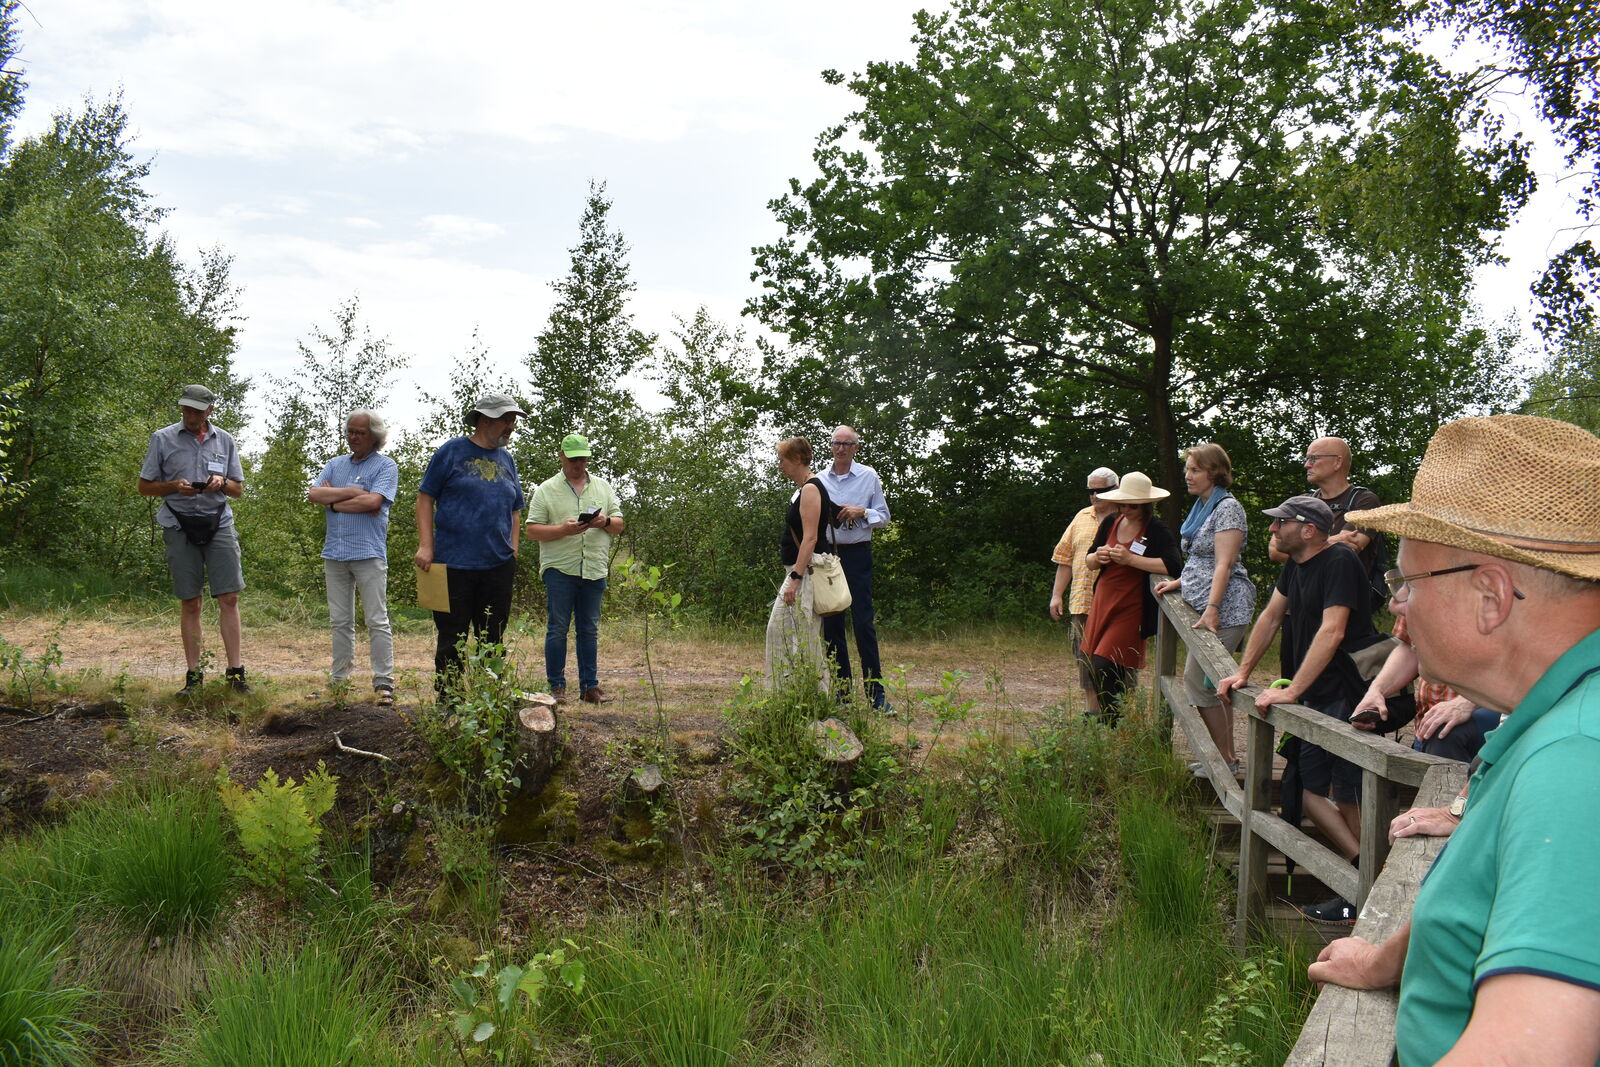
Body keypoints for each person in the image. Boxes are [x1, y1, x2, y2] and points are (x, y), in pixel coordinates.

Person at [1307, 414, 1600, 1066]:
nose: (1397, 608)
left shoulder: (1576, 762)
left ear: (1491, 596)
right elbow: (1489, 889)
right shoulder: (1544, 721)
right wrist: (1388, 959)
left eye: (1407, 582)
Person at [1214, 493, 1386, 924]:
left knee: (1348, 795)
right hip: (1314, 696)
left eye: (1280, 523)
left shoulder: (1340, 562)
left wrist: (1293, 692)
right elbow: (1271, 617)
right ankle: (1365, 874)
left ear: (1308, 528)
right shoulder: (1295, 566)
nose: (1272, 529)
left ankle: (1371, 892)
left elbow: (1334, 629)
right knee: (1310, 794)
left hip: (1347, 694)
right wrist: (1242, 671)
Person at [137, 384, 250, 696]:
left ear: (210, 411)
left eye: (197, 411)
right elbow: (144, 487)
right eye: (186, 409)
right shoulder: (162, 438)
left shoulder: (225, 440)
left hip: (219, 523)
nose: (190, 416)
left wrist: (222, 482)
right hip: (178, 523)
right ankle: (193, 677)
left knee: (229, 597)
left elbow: (238, 489)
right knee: (191, 601)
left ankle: (235, 673)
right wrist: (174, 486)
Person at [1153, 443, 1255, 778]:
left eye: (1195, 469)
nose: (1188, 475)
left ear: (1214, 471)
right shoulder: (1203, 505)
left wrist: (1212, 608)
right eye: (1187, 469)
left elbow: (1224, 563)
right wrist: (1181, 582)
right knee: (1211, 684)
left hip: (1225, 608)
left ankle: (1226, 760)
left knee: (1199, 682)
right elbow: (1202, 559)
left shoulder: (1228, 509)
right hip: (1204, 603)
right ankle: (1227, 758)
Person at [415, 394, 525, 696]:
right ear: (486, 419)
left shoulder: (507, 460)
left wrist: (513, 548)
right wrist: (426, 545)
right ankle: (449, 702)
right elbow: (425, 498)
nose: (511, 426)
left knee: (493, 637)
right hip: (452, 564)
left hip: (498, 565)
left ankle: (490, 702)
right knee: (452, 638)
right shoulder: (451, 452)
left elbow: (516, 509)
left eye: (513, 420)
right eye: (507, 419)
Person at [307, 410, 399, 706]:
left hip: (368, 553)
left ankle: (383, 681)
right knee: (340, 620)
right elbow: (313, 495)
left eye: (359, 432)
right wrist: (351, 494)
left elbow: (374, 501)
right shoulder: (335, 464)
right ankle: (339, 681)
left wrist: (333, 500)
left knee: (376, 619)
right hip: (334, 552)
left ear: (374, 436)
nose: (353, 437)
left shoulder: (386, 466)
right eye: (350, 431)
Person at [524, 433, 624, 704]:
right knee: (558, 627)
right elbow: (531, 530)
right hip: (560, 568)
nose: (579, 464)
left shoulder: (603, 487)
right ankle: (556, 688)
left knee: (589, 629)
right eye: (573, 458)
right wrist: (563, 530)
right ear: (561, 456)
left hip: (594, 567)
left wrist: (603, 522)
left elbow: (619, 525)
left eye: (583, 458)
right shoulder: (546, 489)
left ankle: (590, 688)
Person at [1080, 471, 1179, 721]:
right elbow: (1089, 560)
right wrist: (1098, 556)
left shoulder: (1156, 529)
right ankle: (1115, 721)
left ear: (1146, 504)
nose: (1125, 509)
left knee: (1105, 663)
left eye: (1132, 505)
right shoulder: (1110, 522)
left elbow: (1174, 565)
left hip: (1131, 606)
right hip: (1104, 600)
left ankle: (1114, 721)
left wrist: (1131, 559)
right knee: (1094, 665)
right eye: (1122, 503)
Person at [817, 425, 892, 711]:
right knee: (832, 624)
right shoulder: (819, 480)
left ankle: (877, 696)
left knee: (863, 623)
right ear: (831, 446)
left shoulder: (868, 476)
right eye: (837, 443)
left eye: (847, 444)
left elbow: (884, 517)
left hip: (858, 554)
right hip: (828, 556)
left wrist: (862, 512)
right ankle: (843, 694)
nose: (841, 448)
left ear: (856, 448)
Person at [766, 436, 836, 691]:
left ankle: (812, 697)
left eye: (782, 460)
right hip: (799, 570)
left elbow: (811, 538)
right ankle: (801, 695)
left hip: (804, 571)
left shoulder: (810, 489)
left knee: (788, 632)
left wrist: (794, 579)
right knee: (796, 634)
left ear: (797, 459)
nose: (779, 465)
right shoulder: (806, 488)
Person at [1050, 467, 1120, 715]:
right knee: (1085, 659)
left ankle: (1118, 713)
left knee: (1117, 659)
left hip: (1117, 605)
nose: (1095, 495)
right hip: (1083, 601)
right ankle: (1092, 713)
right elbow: (1065, 558)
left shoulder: (1127, 517)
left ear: (1116, 489)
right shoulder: (1081, 517)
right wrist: (1057, 595)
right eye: (1091, 490)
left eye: (1101, 490)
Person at [1269, 437, 1381, 570]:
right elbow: (1275, 551)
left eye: (1314, 458)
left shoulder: (1365, 501)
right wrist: (1332, 542)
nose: (1307, 464)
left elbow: (1347, 550)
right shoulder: (1303, 501)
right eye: (1307, 458)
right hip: (1301, 589)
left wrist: (1300, 548)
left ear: (1337, 462)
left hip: (1343, 588)